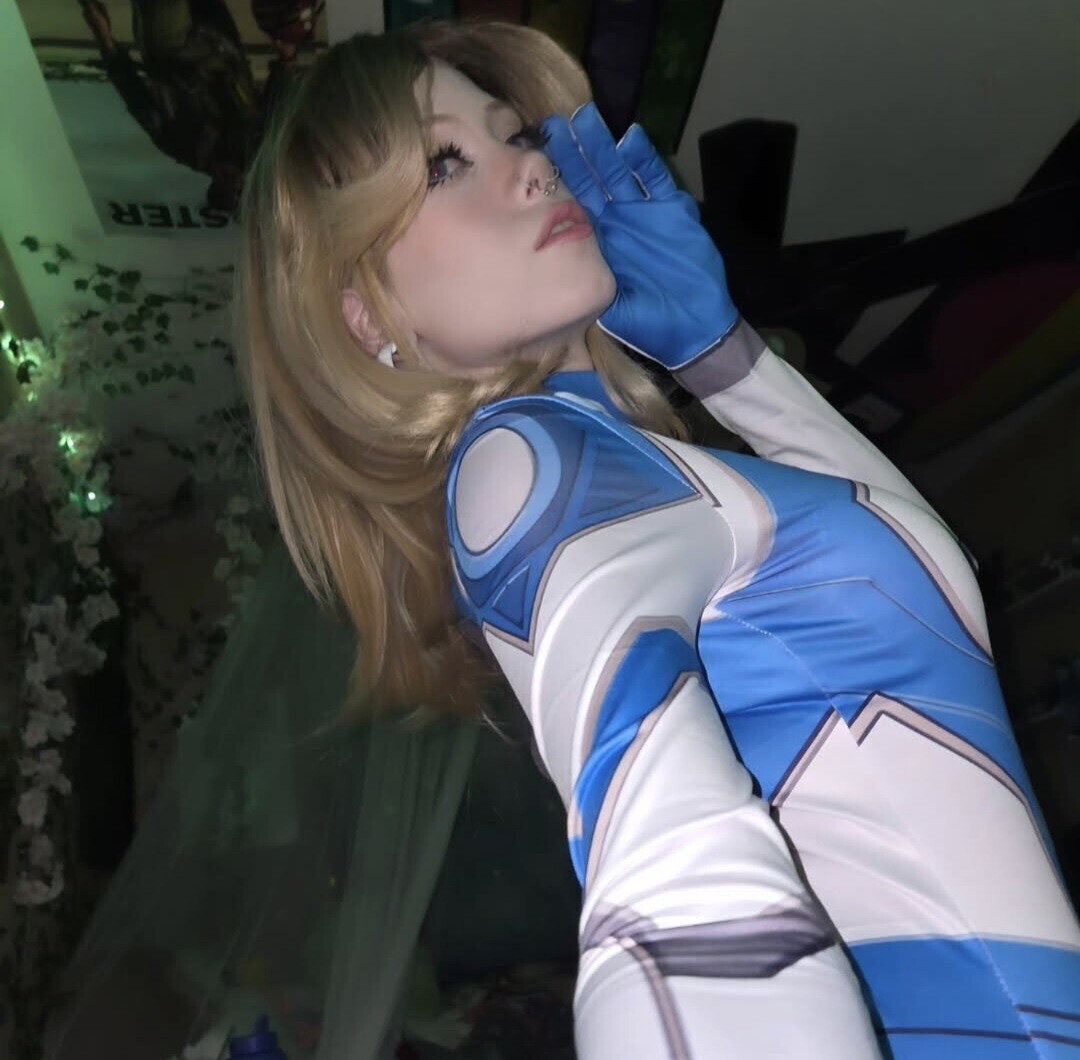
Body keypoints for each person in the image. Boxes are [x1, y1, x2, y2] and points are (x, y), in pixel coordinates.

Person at [235, 18, 1080, 1060]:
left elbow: (921, 576)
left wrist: (728, 360)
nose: (532, 168)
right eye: (445, 162)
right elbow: (676, 887)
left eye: (515, 134)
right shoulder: (526, 463)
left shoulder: (627, 462)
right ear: (364, 314)